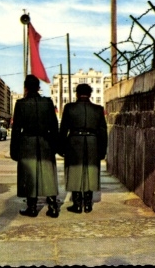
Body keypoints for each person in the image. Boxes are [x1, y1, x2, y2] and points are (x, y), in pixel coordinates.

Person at [10, 75, 60, 218]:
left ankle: (32, 207)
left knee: (29, 175)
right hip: (46, 141)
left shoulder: (20, 104)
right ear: (39, 87)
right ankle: (53, 206)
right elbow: (54, 126)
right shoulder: (48, 103)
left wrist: (14, 150)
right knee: (48, 173)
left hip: (27, 142)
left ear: (25, 88)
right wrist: (55, 144)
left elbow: (16, 129)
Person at [59, 83, 108, 213]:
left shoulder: (69, 108)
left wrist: (61, 147)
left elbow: (64, 129)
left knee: (75, 171)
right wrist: (103, 150)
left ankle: (77, 204)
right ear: (90, 94)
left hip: (74, 141)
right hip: (93, 141)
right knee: (90, 172)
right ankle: (88, 204)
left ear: (77, 93)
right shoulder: (98, 109)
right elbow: (103, 131)